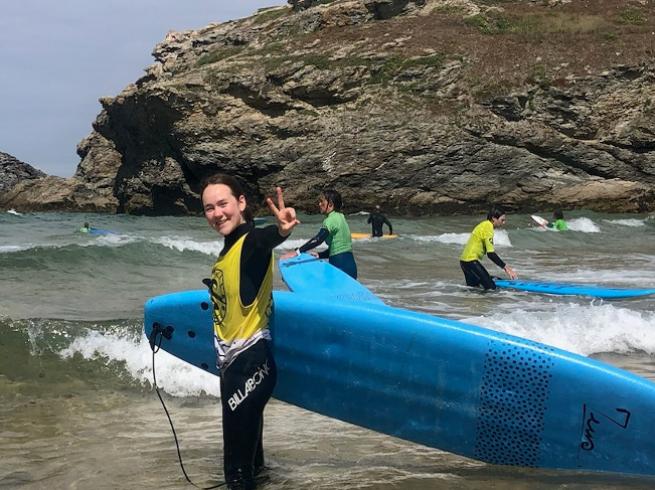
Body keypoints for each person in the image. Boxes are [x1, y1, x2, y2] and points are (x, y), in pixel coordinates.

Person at [201, 174, 299, 490]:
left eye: (223, 204)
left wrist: (281, 230)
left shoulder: (250, 243)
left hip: (250, 364)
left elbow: (264, 239)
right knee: (255, 468)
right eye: (208, 208)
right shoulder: (227, 253)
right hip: (237, 368)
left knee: (237, 473)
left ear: (241, 202)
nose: (217, 213)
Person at [281, 189, 357, 279]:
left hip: (339, 268)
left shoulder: (330, 220)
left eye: (322, 202)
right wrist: (320, 255)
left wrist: (297, 252)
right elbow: (338, 248)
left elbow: (318, 239)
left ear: (330, 204)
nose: (319, 204)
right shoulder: (341, 217)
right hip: (350, 267)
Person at [459, 206, 517, 290]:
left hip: (464, 262)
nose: (504, 222)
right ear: (494, 218)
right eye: (502, 220)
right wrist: (506, 268)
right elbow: (490, 254)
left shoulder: (484, 225)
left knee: (473, 289)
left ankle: (471, 302)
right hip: (470, 261)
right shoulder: (488, 227)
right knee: (491, 288)